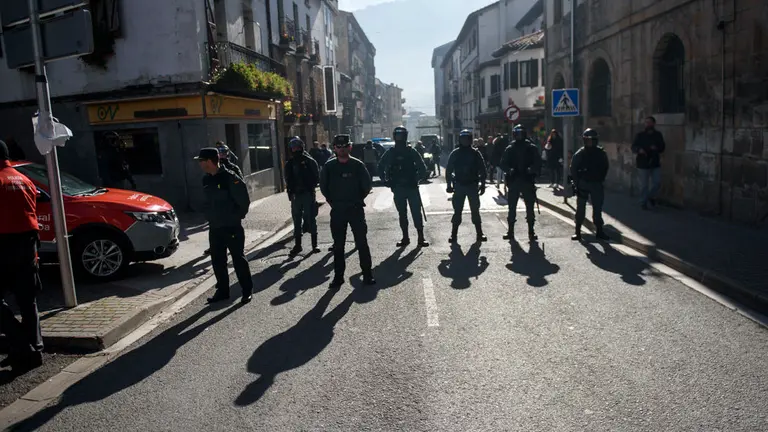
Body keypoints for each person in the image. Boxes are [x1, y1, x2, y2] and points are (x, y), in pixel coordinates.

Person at [0, 140, 44, 372]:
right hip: (27, 246)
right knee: (28, 300)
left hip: (3, 245)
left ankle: (20, 343)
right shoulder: (24, 179)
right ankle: (35, 348)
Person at [195, 148, 254, 305]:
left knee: (238, 260)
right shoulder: (206, 180)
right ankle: (222, 291)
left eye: (201, 161)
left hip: (231, 227)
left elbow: (244, 202)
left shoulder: (231, 178)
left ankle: (247, 290)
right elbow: (206, 202)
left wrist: (234, 218)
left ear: (209, 161)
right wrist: (208, 216)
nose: (199, 164)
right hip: (215, 228)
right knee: (217, 260)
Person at [320, 134, 376, 288]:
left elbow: (366, 186)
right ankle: (338, 277)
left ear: (350, 147)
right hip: (338, 211)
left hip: (355, 209)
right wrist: (334, 202)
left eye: (345, 147)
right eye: (339, 147)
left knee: (362, 243)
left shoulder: (358, 165)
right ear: (335, 149)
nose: (342, 150)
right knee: (338, 246)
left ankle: (367, 274)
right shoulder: (329, 167)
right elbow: (324, 188)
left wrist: (357, 200)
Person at [378, 126, 429, 247]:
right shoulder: (390, 152)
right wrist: (385, 180)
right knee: (402, 214)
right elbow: (380, 166)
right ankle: (405, 237)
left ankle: (421, 238)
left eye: (402, 136)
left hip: (411, 187)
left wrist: (417, 179)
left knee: (416, 213)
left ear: (405, 136)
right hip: (398, 187)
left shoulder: (411, 151)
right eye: (398, 136)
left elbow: (422, 167)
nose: (400, 138)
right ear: (395, 137)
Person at [445, 129, 487, 244]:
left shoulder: (475, 153)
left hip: (472, 185)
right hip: (459, 185)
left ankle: (479, 233)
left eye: (467, 139)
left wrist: (483, 184)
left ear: (470, 140)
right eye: (463, 139)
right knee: (457, 211)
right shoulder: (455, 153)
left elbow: (483, 169)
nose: (465, 141)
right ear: (460, 140)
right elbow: (448, 170)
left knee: (475, 210)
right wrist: (449, 185)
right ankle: (454, 235)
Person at [500, 124, 541, 241]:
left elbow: (538, 162)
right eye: (517, 134)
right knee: (512, 208)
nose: (519, 136)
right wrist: (509, 170)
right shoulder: (510, 148)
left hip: (527, 181)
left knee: (530, 208)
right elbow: (502, 163)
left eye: (521, 134)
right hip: (514, 181)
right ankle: (510, 231)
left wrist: (532, 169)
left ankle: (531, 232)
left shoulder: (531, 147)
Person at [571, 128, 610, 241]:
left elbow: (605, 167)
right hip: (583, 183)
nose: (590, 143)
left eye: (592, 140)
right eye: (587, 140)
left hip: (596, 183)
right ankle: (577, 231)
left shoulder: (601, 153)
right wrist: (577, 183)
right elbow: (573, 169)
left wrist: (600, 178)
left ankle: (599, 231)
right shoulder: (580, 153)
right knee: (580, 209)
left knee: (597, 208)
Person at [284, 137, 320, 255]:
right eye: (293, 148)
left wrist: (310, 187)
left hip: (308, 194)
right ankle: (298, 245)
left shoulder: (309, 161)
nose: (296, 150)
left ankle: (314, 245)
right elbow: (287, 178)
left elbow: (316, 176)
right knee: (297, 219)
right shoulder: (290, 163)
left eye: (297, 147)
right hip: (295, 195)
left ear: (302, 147)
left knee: (310, 218)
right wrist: (290, 191)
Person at [632, 116, 666, 209]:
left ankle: (650, 197)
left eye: (650, 122)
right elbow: (634, 147)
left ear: (653, 124)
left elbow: (662, 147)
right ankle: (643, 202)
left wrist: (656, 148)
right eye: (646, 122)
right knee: (644, 185)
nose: (648, 124)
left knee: (657, 183)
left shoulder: (658, 135)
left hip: (654, 162)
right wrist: (639, 150)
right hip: (643, 162)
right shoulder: (640, 135)